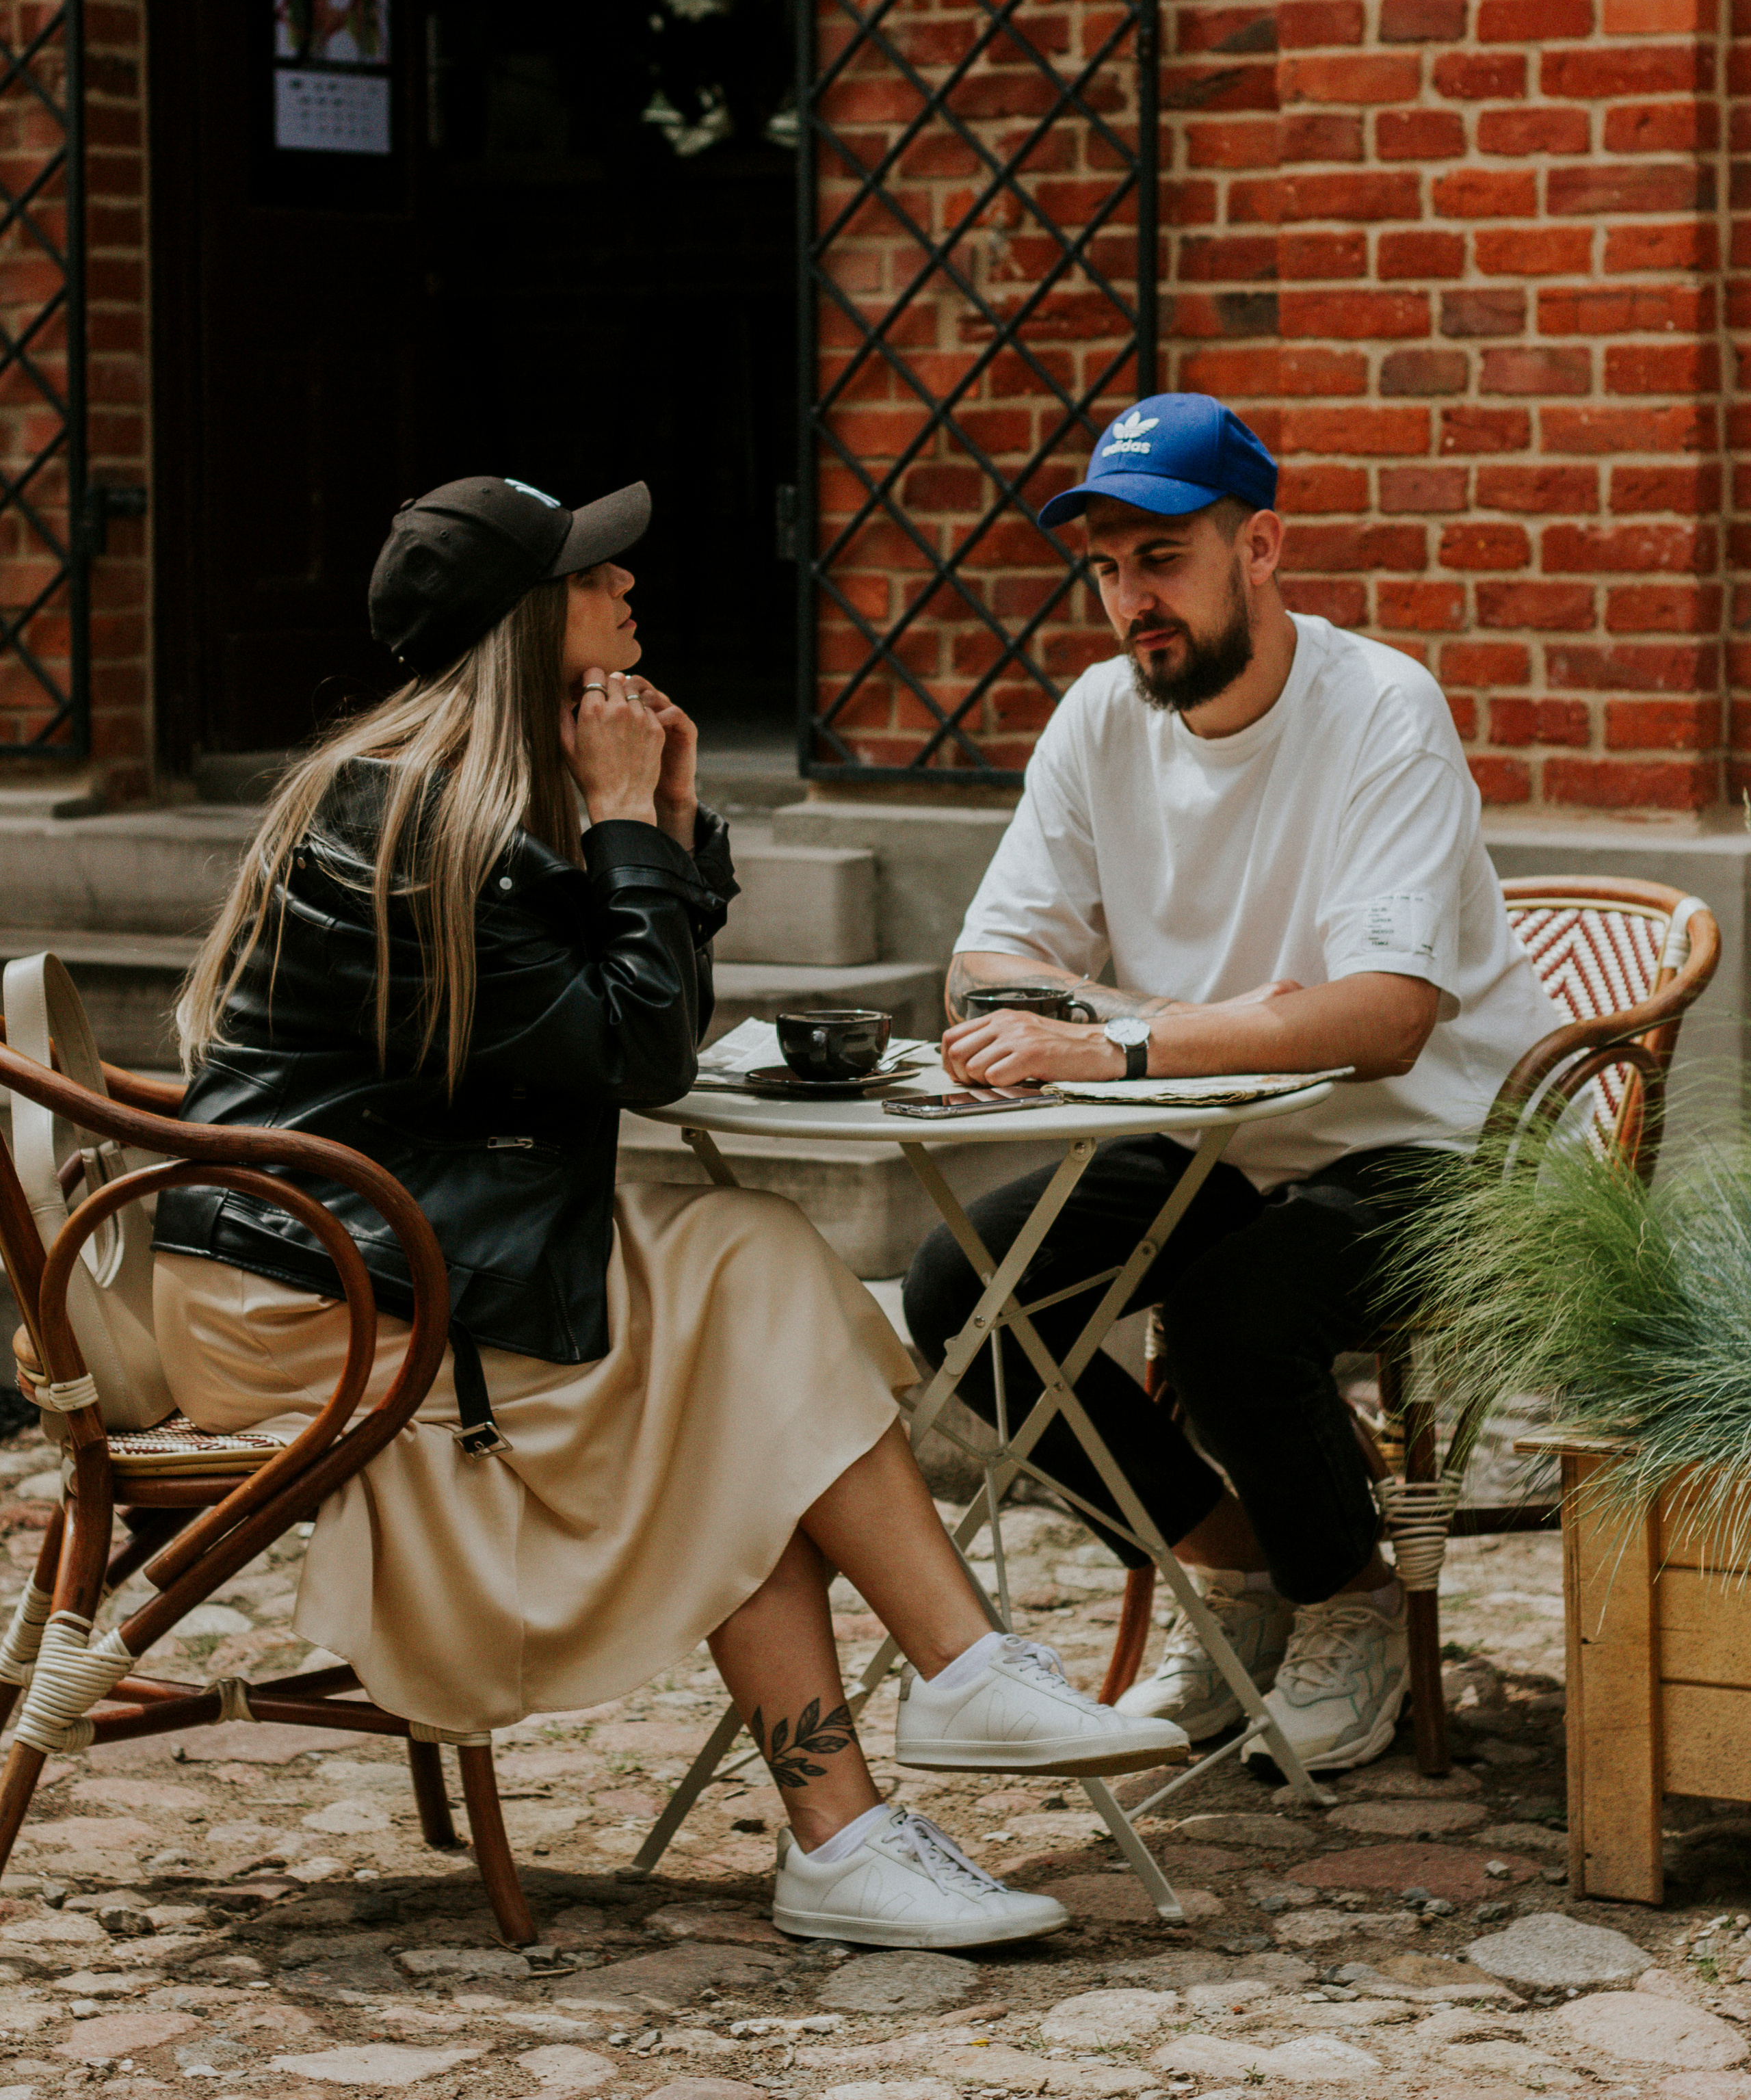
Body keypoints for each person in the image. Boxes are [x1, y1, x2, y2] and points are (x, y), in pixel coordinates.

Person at [152, 473, 1183, 1951]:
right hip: (311, 1290)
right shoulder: (405, 819)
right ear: (523, 628)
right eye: (591, 574)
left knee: (745, 1290)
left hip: (412, 1245)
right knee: (737, 1340)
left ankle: (879, 1790)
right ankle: (917, 1728)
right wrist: (638, 823)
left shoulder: (483, 799)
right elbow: (636, 1059)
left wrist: (665, 826)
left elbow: (642, 1032)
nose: (628, 589)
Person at [903, 396, 1558, 1774]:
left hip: (1431, 1142)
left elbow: (1380, 1022)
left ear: (1257, 547)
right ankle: (1251, 1574)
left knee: (1231, 1312)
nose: (1131, 599)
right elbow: (985, 969)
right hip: (1222, 1128)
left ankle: (1353, 1604)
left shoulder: (1378, 708)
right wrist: (1196, 1023)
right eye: (1106, 568)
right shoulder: (1099, 716)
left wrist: (1121, 1041)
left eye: (1161, 559)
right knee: (964, 1293)